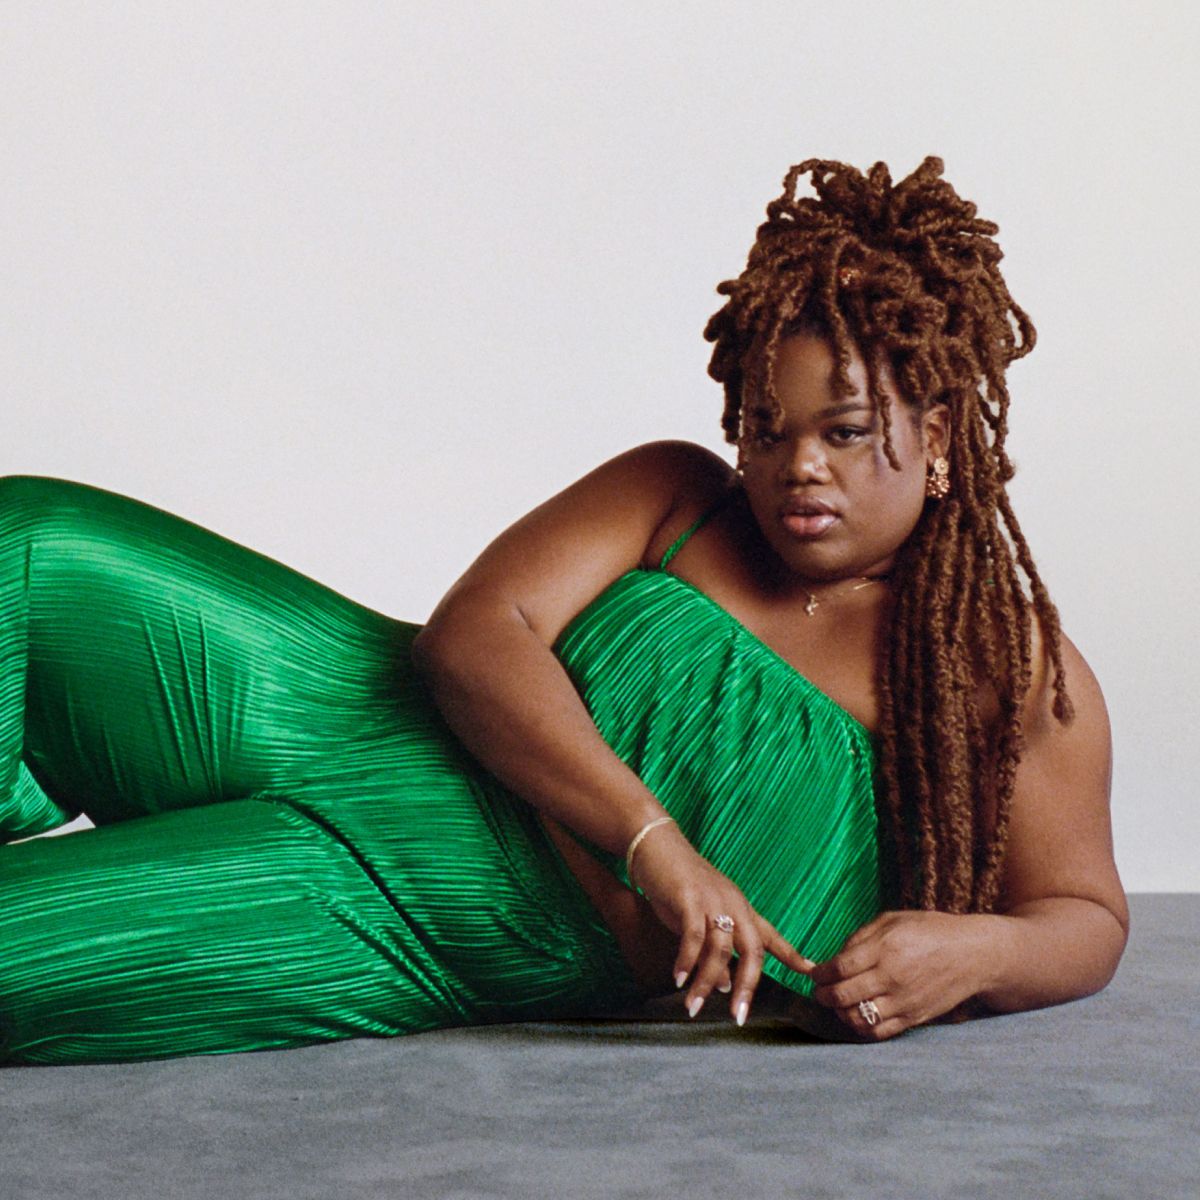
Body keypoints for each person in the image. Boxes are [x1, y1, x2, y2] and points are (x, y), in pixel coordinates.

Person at [0, 156, 1127, 1065]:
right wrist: (658, 846)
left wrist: (973, 953)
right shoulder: (677, 498)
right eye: (767, 427)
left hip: (400, 911)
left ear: (935, 439)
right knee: (28, 546)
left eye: (843, 432)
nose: (798, 470)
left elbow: (1083, 912)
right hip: (330, 703)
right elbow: (474, 634)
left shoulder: (1001, 667)